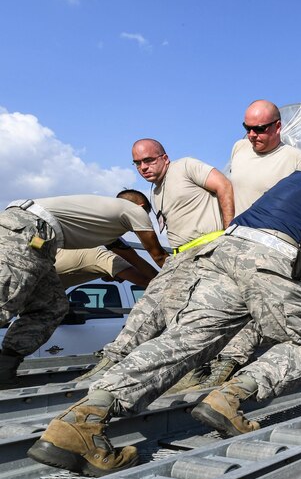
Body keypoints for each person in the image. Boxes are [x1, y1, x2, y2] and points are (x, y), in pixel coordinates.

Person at [29, 171, 301, 476]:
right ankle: (229, 398)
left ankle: (83, 417)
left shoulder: (299, 180)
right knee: (297, 346)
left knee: (185, 341)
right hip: (271, 261)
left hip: (223, 252)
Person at [176, 100, 301, 391]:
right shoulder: (240, 148)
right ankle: (199, 365)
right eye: (247, 128)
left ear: (278, 127)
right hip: (236, 244)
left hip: (271, 251)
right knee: (214, 305)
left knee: (256, 312)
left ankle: (226, 366)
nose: (252, 135)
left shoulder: (296, 160)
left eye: (260, 129)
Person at [78, 139, 235, 381]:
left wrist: (229, 234)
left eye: (149, 160)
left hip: (211, 248)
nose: (143, 167)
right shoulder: (156, 191)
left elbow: (224, 185)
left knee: (206, 312)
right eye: (137, 163)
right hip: (181, 256)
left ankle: (200, 368)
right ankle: (116, 359)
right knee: (153, 304)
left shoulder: (185, 166)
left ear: (164, 158)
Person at [0, 191, 167, 384]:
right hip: (28, 231)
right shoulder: (132, 209)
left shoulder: (104, 228)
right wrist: (176, 281)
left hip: (41, 242)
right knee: (4, 301)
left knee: (52, 306)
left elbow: (136, 260)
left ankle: (4, 368)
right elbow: (158, 255)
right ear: (140, 208)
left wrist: (161, 280)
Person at [55, 242, 158, 288]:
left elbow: (40, 243)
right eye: (119, 277)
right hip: (41, 276)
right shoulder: (110, 258)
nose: (120, 281)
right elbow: (144, 282)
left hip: (44, 277)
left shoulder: (87, 245)